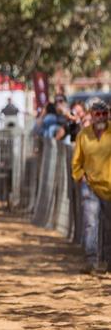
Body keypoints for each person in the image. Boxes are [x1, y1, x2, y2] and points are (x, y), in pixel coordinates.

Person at [72, 98, 111, 273]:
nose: (101, 118)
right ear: (92, 116)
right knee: (90, 223)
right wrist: (81, 178)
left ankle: (109, 261)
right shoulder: (83, 135)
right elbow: (76, 162)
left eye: (104, 114)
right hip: (91, 187)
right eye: (98, 114)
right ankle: (91, 261)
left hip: (109, 187)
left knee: (109, 226)